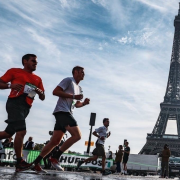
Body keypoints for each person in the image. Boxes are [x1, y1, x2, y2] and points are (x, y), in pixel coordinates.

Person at [31, 66, 90, 173]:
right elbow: (55, 92)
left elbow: (76, 105)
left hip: (66, 112)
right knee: (77, 136)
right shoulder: (68, 80)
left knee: (55, 141)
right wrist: (73, 96)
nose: (84, 74)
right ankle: (55, 157)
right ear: (75, 72)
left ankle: (36, 163)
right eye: (82, 72)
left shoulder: (79, 88)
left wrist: (84, 104)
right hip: (62, 112)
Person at [0, 54, 45, 172]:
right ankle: (20, 162)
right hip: (14, 103)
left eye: (36, 62)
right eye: (33, 61)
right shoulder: (14, 71)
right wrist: (10, 85)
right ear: (25, 61)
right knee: (22, 131)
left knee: (7, 134)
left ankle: (20, 163)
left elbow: (43, 97)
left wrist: (40, 93)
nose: (36, 63)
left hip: (26, 107)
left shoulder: (38, 79)